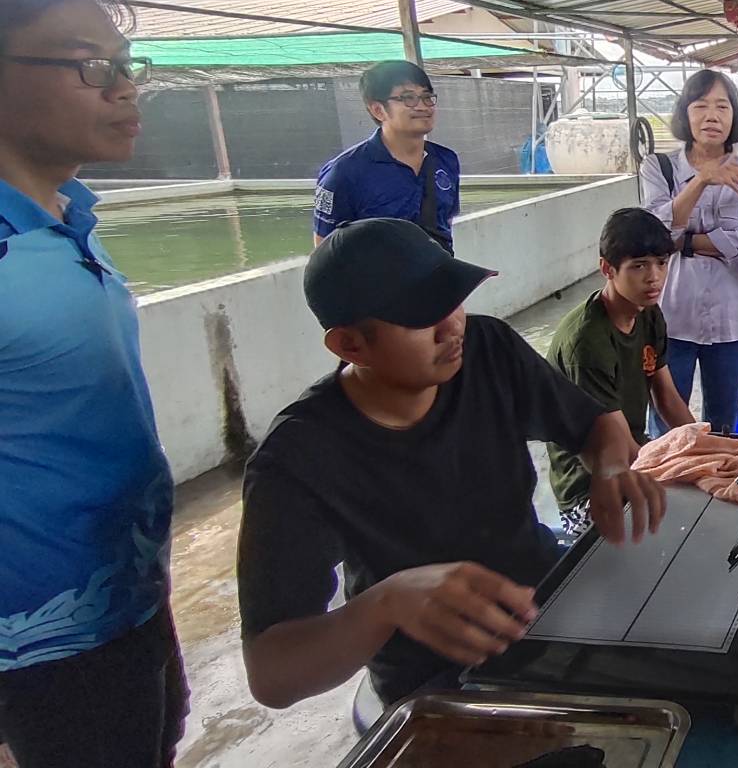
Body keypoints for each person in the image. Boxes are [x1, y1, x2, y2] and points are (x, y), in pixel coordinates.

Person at [237, 219, 664, 710]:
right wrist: (386, 604)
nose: (453, 326)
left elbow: (596, 427)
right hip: (434, 678)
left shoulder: (489, 350)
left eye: (452, 300)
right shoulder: (298, 459)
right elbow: (271, 674)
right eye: (421, 316)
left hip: (547, 610)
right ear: (350, 345)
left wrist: (610, 471)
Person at [0, 0, 185, 768]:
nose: (124, 87)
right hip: (32, 658)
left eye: (124, 62)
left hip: (127, 606)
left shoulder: (68, 219)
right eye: (87, 66)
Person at [545, 209, 696, 535]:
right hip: (590, 487)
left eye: (661, 263)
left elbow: (667, 399)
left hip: (633, 452)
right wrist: (693, 469)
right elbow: (617, 448)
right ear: (607, 269)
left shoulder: (649, 314)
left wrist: (703, 446)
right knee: (683, 523)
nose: (654, 277)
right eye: (639, 266)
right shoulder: (587, 341)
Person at [639, 69, 738, 433]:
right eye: (701, 105)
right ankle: (665, 489)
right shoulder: (658, 167)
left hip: (732, 318)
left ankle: (715, 487)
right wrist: (703, 179)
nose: (712, 115)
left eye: (722, 106)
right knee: (665, 424)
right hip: (670, 314)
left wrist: (686, 242)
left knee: (722, 423)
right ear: (685, 113)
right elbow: (655, 235)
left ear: (734, 117)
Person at [313, 60, 461, 253]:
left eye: (427, 97)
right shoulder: (344, 172)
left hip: (437, 279)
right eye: (408, 98)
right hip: (376, 281)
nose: (423, 107)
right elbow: (324, 250)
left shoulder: (446, 160)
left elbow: (445, 224)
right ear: (378, 110)